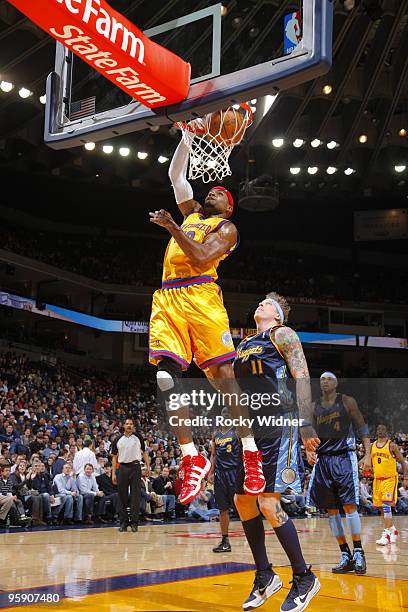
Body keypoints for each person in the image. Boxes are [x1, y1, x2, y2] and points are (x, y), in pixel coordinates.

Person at [148, 132, 266, 505]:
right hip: (168, 296)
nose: (212, 191)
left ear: (228, 208)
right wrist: (187, 134)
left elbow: (200, 258)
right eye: (210, 190)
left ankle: (251, 452)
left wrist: (171, 228)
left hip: (201, 295)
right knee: (166, 376)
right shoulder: (191, 215)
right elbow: (175, 174)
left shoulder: (225, 229)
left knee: (224, 379)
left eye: (220, 193)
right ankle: (191, 458)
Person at [233, 293, 320, 612]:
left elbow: (301, 376)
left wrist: (306, 424)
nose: (261, 304)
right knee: (242, 500)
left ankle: (303, 577)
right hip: (253, 429)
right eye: (260, 302)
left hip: (280, 422)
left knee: (268, 501)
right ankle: (265, 576)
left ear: (279, 316)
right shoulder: (242, 345)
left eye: (268, 303)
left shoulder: (282, 334)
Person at [306, 372, 372, 576]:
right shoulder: (313, 406)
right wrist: (309, 450)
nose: (324, 381)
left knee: (349, 505)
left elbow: (362, 427)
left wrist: (368, 454)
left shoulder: (347, 401)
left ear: (336, 383)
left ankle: (359, 552)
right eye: (322, 379)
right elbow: (307, 431)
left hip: (344, 457)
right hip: (323, 459)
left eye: (329, 378)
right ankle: (345, 554)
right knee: (331, 510)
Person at [208, 407, 240, 553]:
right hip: (220, 474)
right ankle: (225, 541)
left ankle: (254, 538)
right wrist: (211, 472)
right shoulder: (216, 434)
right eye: (224, 412)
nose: (226, 414)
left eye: (228, 412)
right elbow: (213, 455)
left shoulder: (238, 431)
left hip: (235, 472)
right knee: (223, 508)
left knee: (243, 507)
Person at [370, 424, 408, 545]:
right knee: (381, 508)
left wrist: (405, 478)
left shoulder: (392, 445)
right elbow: (371, 462)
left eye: (383, 429)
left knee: (386, 505)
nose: (380, 430)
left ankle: (386, 534)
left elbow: (403, 462)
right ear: (376, 431)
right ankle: (392, 529)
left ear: (387, 431)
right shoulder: (372, 446)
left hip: (389, 479)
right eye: (378, 429)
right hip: (377, 480)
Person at [111, 418, 150, 533]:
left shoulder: (138, 438)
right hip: (122, 467)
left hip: (135, 467)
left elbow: (145, 453)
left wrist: (148, 467)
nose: (129, 425)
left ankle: (134, 523)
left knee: (135, 495)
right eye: (127, 424)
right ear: (123, 425)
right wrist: (113, 473)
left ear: (133, 426)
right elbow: (114, 457)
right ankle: (123, 522)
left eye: (131, 424)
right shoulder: (118, 439)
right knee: (122, 495)